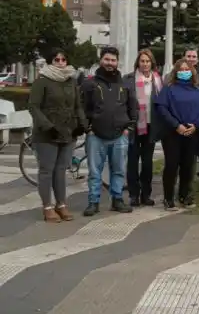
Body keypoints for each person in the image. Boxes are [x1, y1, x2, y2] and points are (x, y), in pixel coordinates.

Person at [28, 49, 87, 222]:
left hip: (68, 132)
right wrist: (47, 126)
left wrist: (81, 124)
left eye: (63, 59)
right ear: (50, 61)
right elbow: (34, 106)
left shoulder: (71, 81)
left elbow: (78, 106)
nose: (61, 62)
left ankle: (61, 204)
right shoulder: (42, 80)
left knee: (61, 170)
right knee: (46, 170)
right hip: (47, 133)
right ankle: (47, 207)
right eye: (56, 59)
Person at [80, 46, 137, 216]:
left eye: (113, 60)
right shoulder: (90, 83)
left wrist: (129, 127)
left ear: (117, 62)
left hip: (120, 135)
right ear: (101, 60)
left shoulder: (125, 84)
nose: (110, 63)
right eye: (107, 59)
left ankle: (117, 199)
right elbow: (81, 108)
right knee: (94, 171)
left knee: (119, 169)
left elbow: (133, 107)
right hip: (95, 135)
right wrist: (88, 128)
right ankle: (93, 201)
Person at [154, 59, 199, 211]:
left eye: (187, 69)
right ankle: (168, 198)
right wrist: (176, 125)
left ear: (192, 71)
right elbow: (162, 108)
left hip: (192, 132)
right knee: (172, 165)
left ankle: (185, 195)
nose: (184, 71)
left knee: (188, 165)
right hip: (172, 133)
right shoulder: (168, 89)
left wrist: (197, 125)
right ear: (176, 72)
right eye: (181, 69)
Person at [122, 49, 163, 207]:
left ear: (152, 63)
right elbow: (124, 103)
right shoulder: (128, 79)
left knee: (147, 162)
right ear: (138, 63)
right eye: (142, 61)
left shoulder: (158, 80)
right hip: (134, 125)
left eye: (147, 61)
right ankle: (134, 194)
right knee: (132, 160)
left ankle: (146, 194)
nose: (145, 64)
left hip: (151, 125)